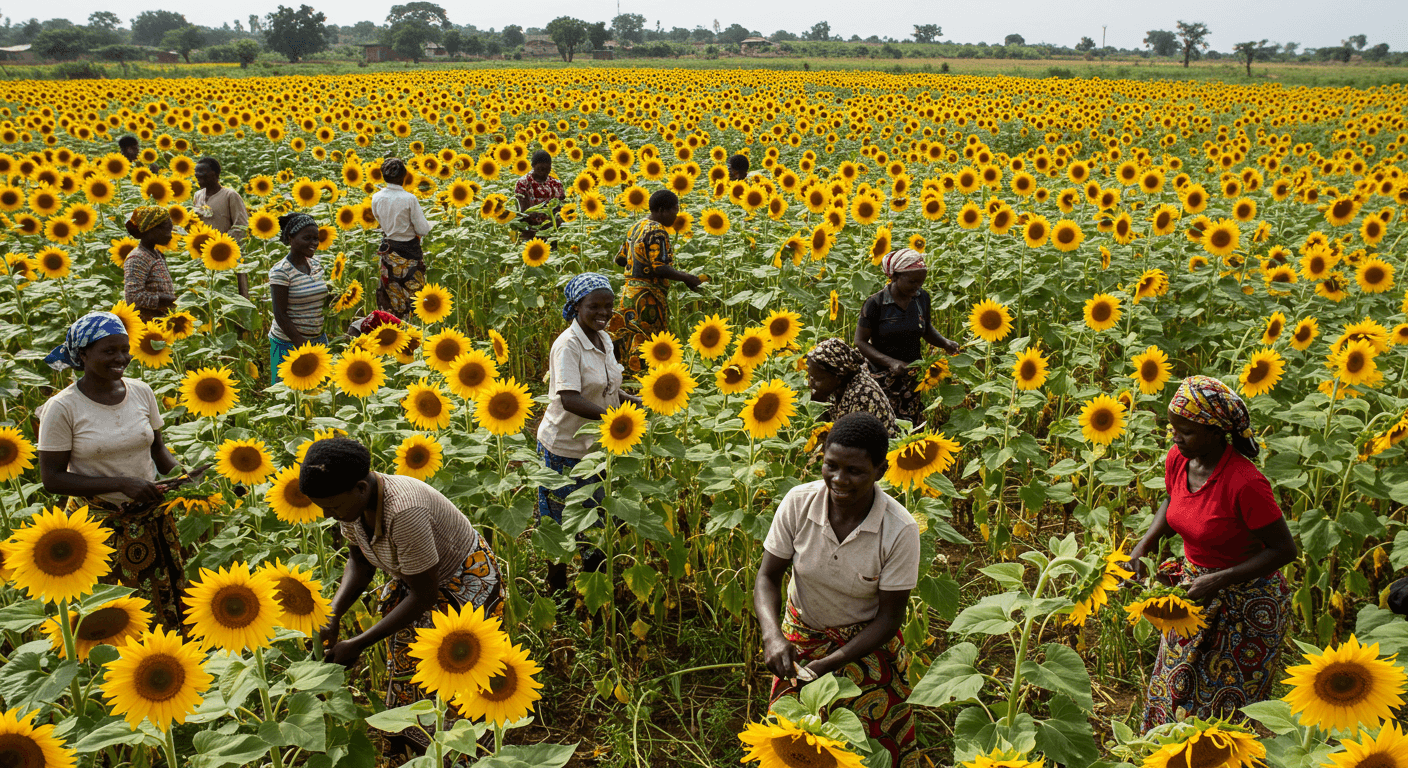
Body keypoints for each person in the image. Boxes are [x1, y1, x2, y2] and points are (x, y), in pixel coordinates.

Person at [305, 437, 502, 758]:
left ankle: (468, 755)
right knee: (410, 672)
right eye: (322, 506)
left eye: (332, 506)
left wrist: (357, 644)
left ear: (360, 488)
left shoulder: (404, 511)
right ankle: (415, 749)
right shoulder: (351, 508)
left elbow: (424, 595)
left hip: (466, 587)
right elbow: (359, 562)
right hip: (417, 585)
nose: (328, 514)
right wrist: (333, 613)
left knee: (454, 677)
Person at [1126, 376, 1297, 729]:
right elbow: (1174, 500)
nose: (1175, 438)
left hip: (1247, 604)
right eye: (1173, 428)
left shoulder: (1245, 483)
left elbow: (1284, 550)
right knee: (1171, 686)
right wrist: (1145, 545)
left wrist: (1219, 579)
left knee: (1224, 711)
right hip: (1195, 591)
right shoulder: (1179, 459)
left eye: (1185, 431)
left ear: (1215, 431)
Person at [754, 412, 921, 768]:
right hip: (801, 638)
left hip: (866, 643)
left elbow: (890, 618)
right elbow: (768, 577)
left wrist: (834, 661)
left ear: (880, 470)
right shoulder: (799, 503)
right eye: (831, 465)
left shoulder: (899, 530)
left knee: (874, 746)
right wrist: (772, 635)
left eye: (855, 471)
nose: (839, 479)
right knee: (794, 745)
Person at [36, 311, 199, 633]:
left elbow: (157, 450)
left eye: (124, 349)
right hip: (100, 527)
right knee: (114, 612)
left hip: (153, 518)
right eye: (109, 351)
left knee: (167, 600)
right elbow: (52, 478)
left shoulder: (140, 391)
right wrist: (121, 483)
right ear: (83, 355)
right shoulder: (63, 407)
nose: (121, 358)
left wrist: (186, 477)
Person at [537, 273, 643, 593]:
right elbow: (569, 398)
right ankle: (556, 587)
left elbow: (608, 388)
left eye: (608, 306)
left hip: (596, 445)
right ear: (576, 306)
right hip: (564, 446)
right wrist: (615, 418)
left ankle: (591, 582)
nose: (603, 312)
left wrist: (635, 401)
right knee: (560, 519)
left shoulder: (604, 339)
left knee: (594, 515)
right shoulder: (567, 346)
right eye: (594, 306)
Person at [855, 248, 961, 426]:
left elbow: (926, 328)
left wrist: (945, 343)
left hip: (912, 374)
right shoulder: (876, 303)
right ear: (894, 277)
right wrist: (891, 363)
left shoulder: (921, 298)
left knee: (910, 422)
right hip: (880, 377)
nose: (917, 286)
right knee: (884, 422)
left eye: (921, 282)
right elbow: (860, 342)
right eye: (912, 281)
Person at [609, 190, 703, 373]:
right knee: (648, 345)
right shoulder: (657, 230)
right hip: (648, 298)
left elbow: (619, 259)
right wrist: (687, 278)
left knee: (631, 339)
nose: (676, 216)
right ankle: (644, 384)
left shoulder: (636, 226)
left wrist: (636, 262)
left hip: (629, 296)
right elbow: (659, 267)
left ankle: (628, 382)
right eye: (674, 211)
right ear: (661, 210)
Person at [268, 213, 328, 384]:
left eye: (316, 238)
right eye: (307, 237)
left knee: (317, 393)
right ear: (291, 237)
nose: (314, 243)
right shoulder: (281, 271)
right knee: (287, 396)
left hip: (318, 339)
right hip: (288, 343)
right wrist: (302, 345)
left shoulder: (316, 265)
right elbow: (280, 314)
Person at [370, 157, 432, 319]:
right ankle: (413, 330)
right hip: (409, 252)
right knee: (414, 295)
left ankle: (394, 326)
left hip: (388, 251)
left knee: (391, 293)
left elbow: (379, 219)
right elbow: (422, 229)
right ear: (404, 175)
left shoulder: (376, 197)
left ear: (383, 176)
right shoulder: (409, 199)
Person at [806, 339, 899, 438]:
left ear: (838, 376)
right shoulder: (837, 388)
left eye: (818, 378)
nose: (811, 382)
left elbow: (852, 442)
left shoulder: (863, 396)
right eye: (810, 376)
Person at [192, 157, 251, 298]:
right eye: (197, 174)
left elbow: (241, 227)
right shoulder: (198, 196)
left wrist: (218, 244)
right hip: (204, 256)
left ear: (216, 175)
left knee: (233, 296)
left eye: (203, 173)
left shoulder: (230, 195)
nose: (199, 177)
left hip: (227, 255)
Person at [122, 206, 178, 322]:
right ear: (151, 230)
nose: (170, 235)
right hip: (145, 324)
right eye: (167, 231)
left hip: (161, 321)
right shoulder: (137, 258)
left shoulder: (156, 254)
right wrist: (166, 299)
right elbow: (133, 297)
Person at [514, 149, 565, 240]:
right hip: (530, 231)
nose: (543, 171)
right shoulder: (523, 183)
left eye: (547, 167)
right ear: (533, 166)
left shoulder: (556, 184)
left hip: (553, 232)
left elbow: (562, 209)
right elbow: (522, 212)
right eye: (540, 168)